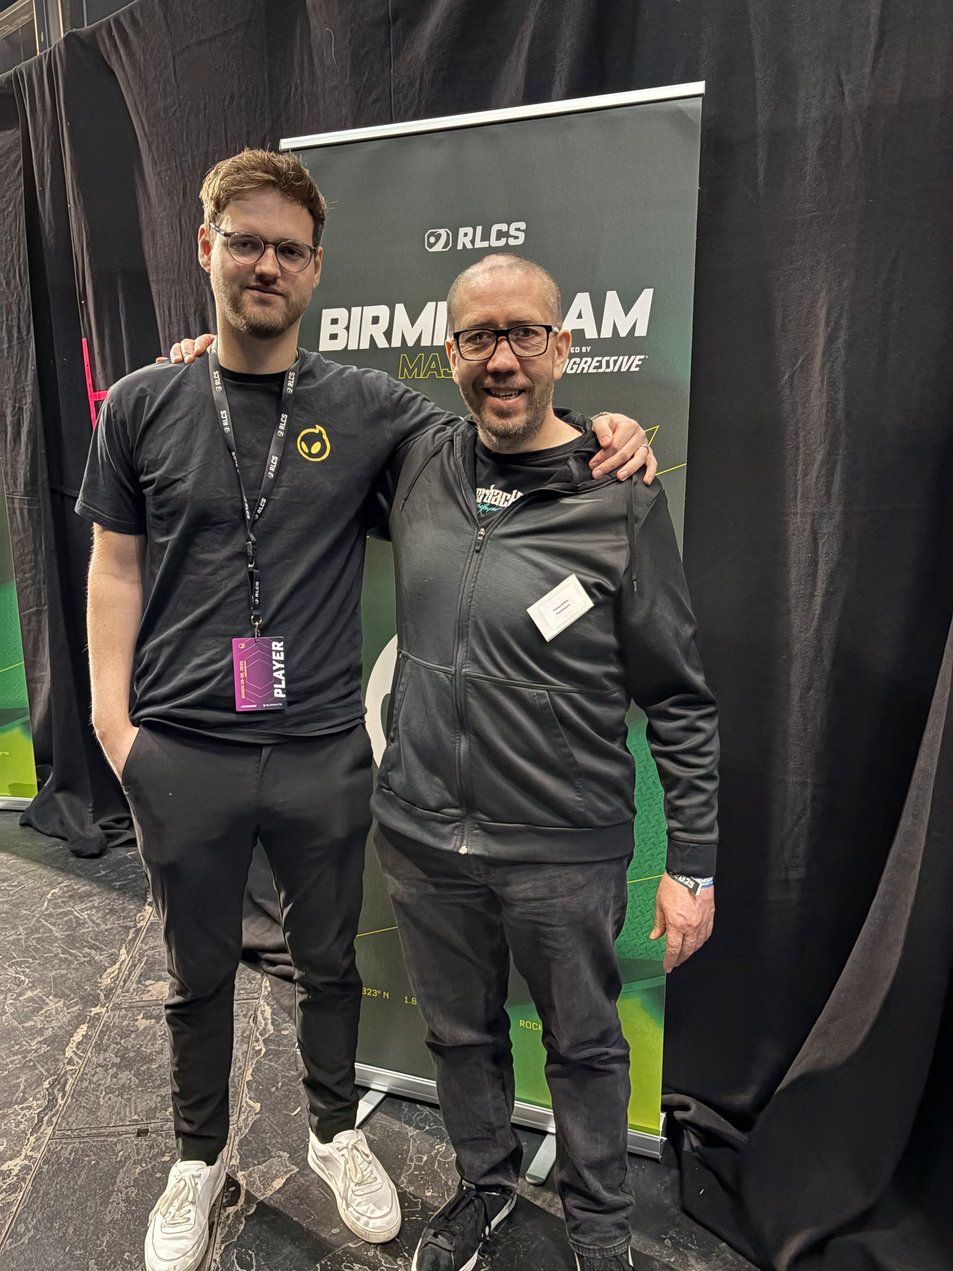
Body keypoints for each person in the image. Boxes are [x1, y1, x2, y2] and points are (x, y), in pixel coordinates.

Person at [76, 149, 653, 1271]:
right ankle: (196, 1156)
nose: (266, 264)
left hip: (321, 748)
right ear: (205, 248)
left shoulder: (369, 405)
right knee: (196, 973)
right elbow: (113, 563)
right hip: (179, 745)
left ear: (315, 269)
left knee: (329, 959)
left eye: (288, 250)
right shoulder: (144, 401)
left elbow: (501, 428)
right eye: (245, 242)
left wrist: (603, 427)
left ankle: (334, 1131)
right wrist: (112, 725)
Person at [369, 252, 719, 1271]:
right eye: (479, 336)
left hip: (564, 849)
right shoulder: (417, 459)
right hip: (422, 835)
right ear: (450, 352)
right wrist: (209, 352)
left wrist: (693, 864)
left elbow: (679, 697)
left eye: (524, 332)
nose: (502, 358)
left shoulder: (619, 495)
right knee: (457, 1035)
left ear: (562, 347)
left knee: (586, 1048)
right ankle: (485, 1182)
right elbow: (289, 395)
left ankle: (599, 1231)